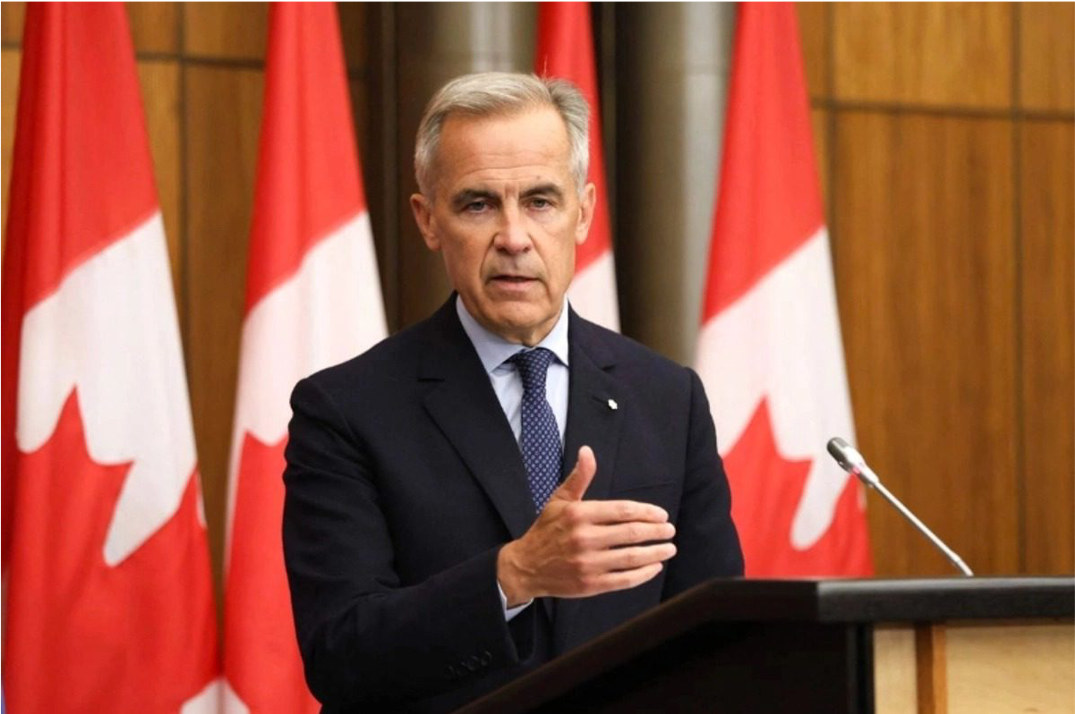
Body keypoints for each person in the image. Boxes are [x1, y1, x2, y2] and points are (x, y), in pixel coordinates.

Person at [282, 71, 743, 713]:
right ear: (428, 220)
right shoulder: (346, 409)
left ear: (583, 213)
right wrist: (514, 575)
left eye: (540, 201)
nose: (514, 237)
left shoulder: (668, 398)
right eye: (478, 204)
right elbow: (340, 653)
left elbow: (719, 639)